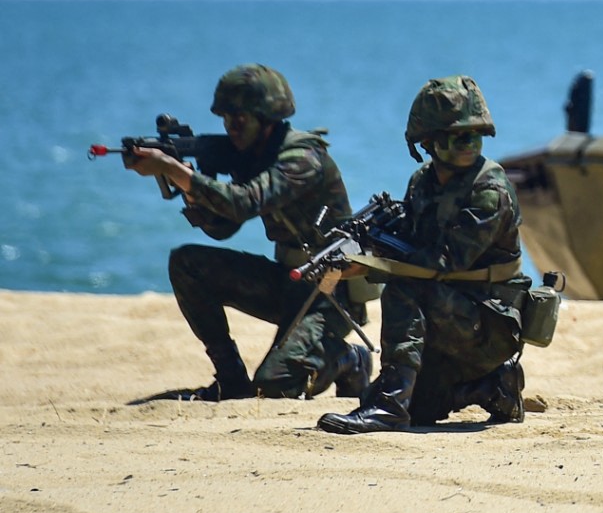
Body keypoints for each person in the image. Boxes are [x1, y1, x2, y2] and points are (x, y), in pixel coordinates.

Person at [124, 64, 371, 401]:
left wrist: (176, 172)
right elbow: (224, 228)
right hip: (289, 280)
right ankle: (230, 380)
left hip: (329, 291)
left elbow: (245, 202)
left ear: (267, 118)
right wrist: (191, 190)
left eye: (239, 118)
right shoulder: (252, 157)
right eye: (226, 119)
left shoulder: (302, 158)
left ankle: (350, 359)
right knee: (187, 264)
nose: (231, 127)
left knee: (276, 385)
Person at [319, 76, 531, 434]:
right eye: (458, 137)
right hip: (451, 318)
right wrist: (362, 246)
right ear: (428, 142)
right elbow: (411, 240)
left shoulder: (489, 190)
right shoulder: (422, 182)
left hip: (491, 321)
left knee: (404, 287)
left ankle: (389, 409)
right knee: (421, 407)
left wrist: (369, 266)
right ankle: (493, 386)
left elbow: (444, 262)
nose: (469, 145)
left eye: (476, 136)